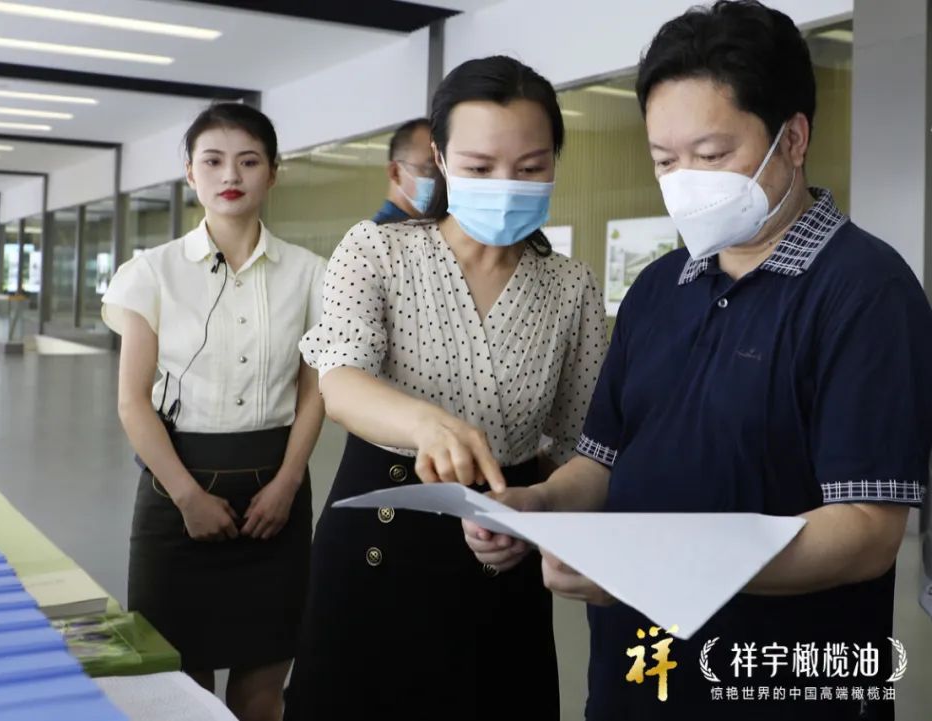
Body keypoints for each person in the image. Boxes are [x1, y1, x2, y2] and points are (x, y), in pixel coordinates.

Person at [465, 3, 932, 719]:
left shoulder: (865, 291)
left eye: (711, 156)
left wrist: (659, 567)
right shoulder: (658, 286)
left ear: (793, 138)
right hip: (637, 679)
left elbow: (866, 531)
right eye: (664, 160)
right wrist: (540, 507)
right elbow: (603, 460)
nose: (685, 180)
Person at [285, 56, 608, 721]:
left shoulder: (569, 286)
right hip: (377, 548)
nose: (506, 186)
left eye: (530, 167)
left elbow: (584, 441)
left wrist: (539, 508)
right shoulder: (377, 250)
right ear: (439, 157)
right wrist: (426, 425)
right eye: (480, 167)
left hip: (501, 547)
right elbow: (339, 380)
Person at [101, 103, 326, 721]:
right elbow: (132, 401)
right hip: (176, 492)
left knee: (263, 689)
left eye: (249, 161)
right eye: (213, 161)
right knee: (184, 691)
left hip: (275, 497)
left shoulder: (311, 275)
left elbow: (315, 392)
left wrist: (287, 484)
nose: (231, 175)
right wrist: (187, 498)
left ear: (272, 173)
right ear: (190, 174)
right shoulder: (150, 273)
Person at [371, 118, 437, 223]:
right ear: (395, 172)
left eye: (444, 171)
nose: (441, 181)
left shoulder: (427, 228)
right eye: (431, 170)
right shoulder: (380, 232)